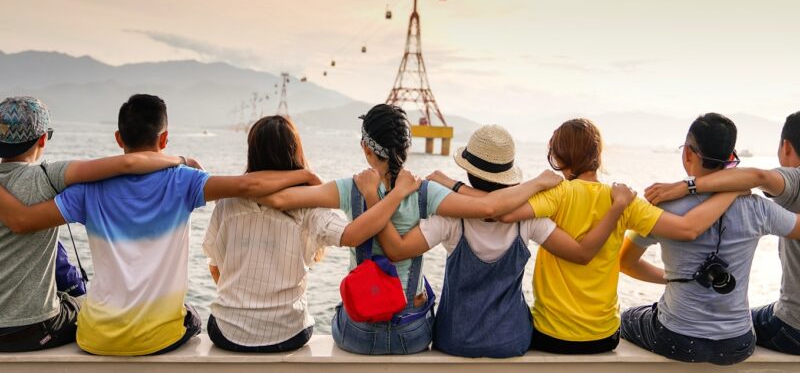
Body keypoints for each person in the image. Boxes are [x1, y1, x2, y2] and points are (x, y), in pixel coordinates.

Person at [0, 94, 321, 356]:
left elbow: (25, 221)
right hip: (160, 339)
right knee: (191, 315)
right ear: (165, 138)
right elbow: (248, 186)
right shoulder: (184, 182)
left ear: (117, 138)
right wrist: (304, 176)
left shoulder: (86, 190)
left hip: (95, 338)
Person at [254, 104, 563, 355]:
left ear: (366, 149)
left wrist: (306, 175)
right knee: (422, 292)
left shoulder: (350, 188)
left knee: (342, 308)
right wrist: (537, 183)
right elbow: (489, 208)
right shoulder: (426, 192)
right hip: (411, 332)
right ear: (407, 147)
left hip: (358, 333)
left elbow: (278, 199)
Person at [353, 124, 637, 358]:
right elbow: (580, 253)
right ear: (508, 175)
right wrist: (616, 208)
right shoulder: (528, 218)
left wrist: (375, 198)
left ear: (468, 171)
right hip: (511, 341)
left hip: (455, 340)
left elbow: (396, 250)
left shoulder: (451, 218)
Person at [498, 118, 746, 354]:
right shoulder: (625, 200)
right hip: (604, 337)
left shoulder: (557, 194)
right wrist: (730, 190)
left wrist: (537, 183)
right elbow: (686, 229)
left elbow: (503, 211)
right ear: (597, 155)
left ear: (559, 157)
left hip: (551, 335)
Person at [202, 115, 421, 353]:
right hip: (288, 333)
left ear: (252, 152)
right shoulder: (309, 208)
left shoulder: (227, 203)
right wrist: (395, 194)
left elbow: (215, 268)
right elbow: (352, 235)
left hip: (228, 332)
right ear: (296, 152)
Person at [0, 96, 193, 352]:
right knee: (81, 304)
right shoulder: (48, 177)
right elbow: (128, 164)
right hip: (29, 330)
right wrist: (181, 160)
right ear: (43, 139)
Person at [643, 110, 800, 356]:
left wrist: (688, 186)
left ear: (787, 146)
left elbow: (758, 176)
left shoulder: (661, 207)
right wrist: (737, 189)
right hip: (739, 343)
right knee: (740, 324)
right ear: (730, 158)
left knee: (633, 317)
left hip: (793, 331)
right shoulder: (759, 209)